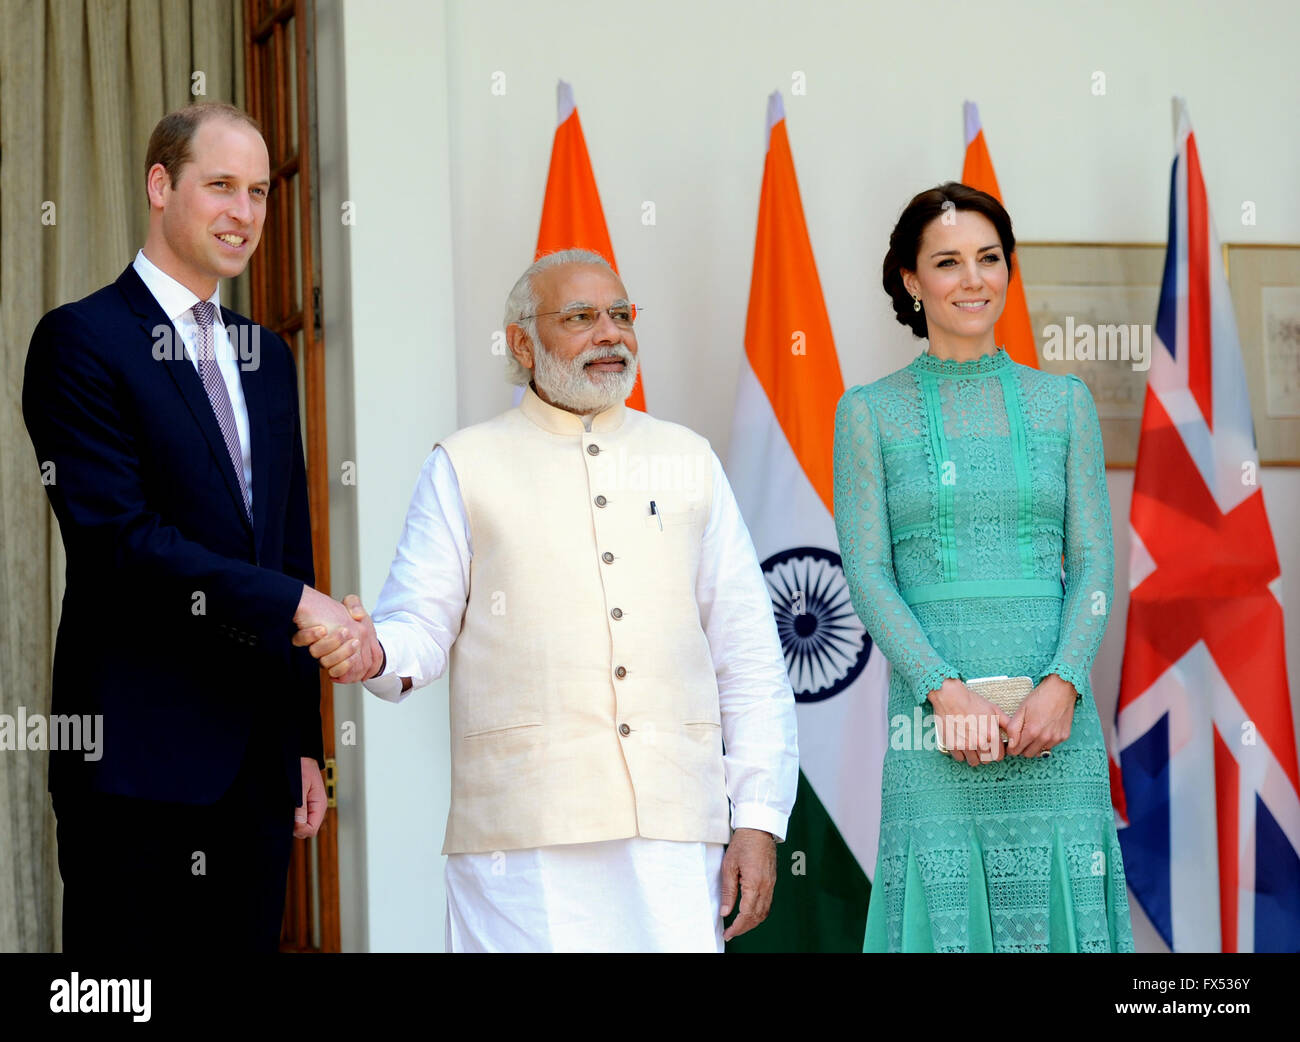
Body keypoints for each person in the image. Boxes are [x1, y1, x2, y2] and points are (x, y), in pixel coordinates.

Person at [297, 249, 799, 952]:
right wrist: (373, 648)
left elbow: (748, 655)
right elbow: (419, 623)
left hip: (675, 835)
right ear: (523, 343)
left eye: (621, 315)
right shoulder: (464, 464)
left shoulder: (688, 459)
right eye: (582, 317)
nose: (610, 333)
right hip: (521, 847)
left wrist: (759, 817)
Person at [23, 102, 366, 952]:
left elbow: (287, 543)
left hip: (255, 771)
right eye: (221, 186)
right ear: (159, 185)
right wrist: (299, 601)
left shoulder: (270, 357)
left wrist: (301, 742)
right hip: (135, 765)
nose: (244, 214)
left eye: (258, 193)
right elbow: (121, 544)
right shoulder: (80, 340)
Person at [832, 183, 1134, 952]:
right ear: (910, 279)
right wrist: (943, 690)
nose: (973, 279)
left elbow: (1096, 559)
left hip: (1055, 721)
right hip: (930, 725)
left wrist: (1064, 682)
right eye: (948, 262)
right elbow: (867, 572)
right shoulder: (868, 411)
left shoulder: (1063, 403)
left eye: (989, 258)